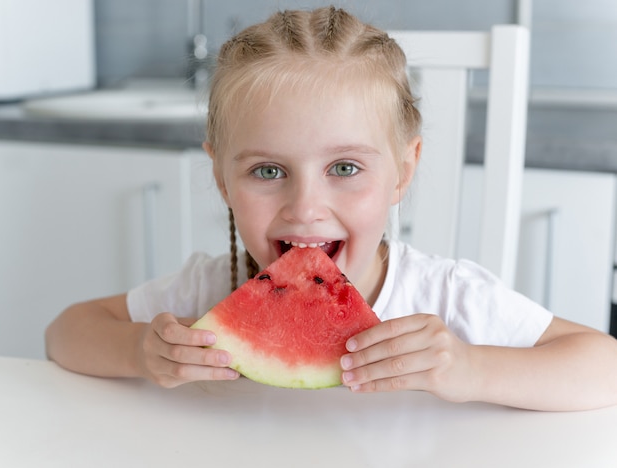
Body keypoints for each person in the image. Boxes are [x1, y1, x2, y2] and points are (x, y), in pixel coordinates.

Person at [46, 6, 617, 411]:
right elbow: (66, 332)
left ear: (405, 170)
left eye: (344, 169)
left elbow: (603, 366)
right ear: (221, 177)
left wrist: (468, 368)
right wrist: (142, 352)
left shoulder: (448, 298)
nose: (305, 208)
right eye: (267, 172)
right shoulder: (207, 291)